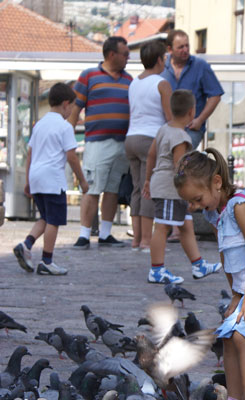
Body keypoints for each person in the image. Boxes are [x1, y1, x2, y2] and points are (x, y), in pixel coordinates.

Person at [175, 148, 245, 400]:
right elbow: (226, 256)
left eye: (197, 199)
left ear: (217, 182)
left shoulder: (239, 206)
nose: (197, 207)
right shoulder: (217, 214)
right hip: (244, 291)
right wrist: (235, 294)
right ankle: (233, 399)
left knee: (244, 338)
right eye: (192, 203)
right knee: (228, 337)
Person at [144, 89, 221, 284]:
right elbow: (180, 168)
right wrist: (189, 196)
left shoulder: (163, 129)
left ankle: (198, 264)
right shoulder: (181, 137)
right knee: (163, 227)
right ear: (192, 111)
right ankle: (157, 269)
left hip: (160, 182)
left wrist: (147, 180)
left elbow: (151, 155)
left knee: (186, 225)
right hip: (170, 188)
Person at [13, 83, 88, 276]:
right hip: (53, 179)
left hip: (37, 177)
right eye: (72, 106)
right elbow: (72, 157)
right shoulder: (65, 127)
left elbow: (30, 154)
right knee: (54, 221)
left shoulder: (39, 124)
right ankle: (47, 260)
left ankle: (26, 244)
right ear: (65, 104)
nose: (72, 110)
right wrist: (82, 181)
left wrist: (29, 180)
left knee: (44, 217)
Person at [161, 28, 224, 242]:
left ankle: (181, 226)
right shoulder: (163, 70)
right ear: (169, 49)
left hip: (190, 131)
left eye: (187, 45)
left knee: (182, 173)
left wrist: (200, 119)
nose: (186, 50)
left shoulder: (200, 66)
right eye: (181, 47)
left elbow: (215, 95)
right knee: (168, 174)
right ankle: (172, 224)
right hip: (169, 129)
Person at [69, 36, 132, 250]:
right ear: (111, 54)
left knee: (112, 189)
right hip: (97, 141)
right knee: (92, 188)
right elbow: (75, 108)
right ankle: (84, 234)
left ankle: (105, 233)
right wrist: (68, 134)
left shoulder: (129, 80)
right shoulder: (89, 76)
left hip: (122, 142)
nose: (128, 57)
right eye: (125, 53)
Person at [125, 40, 172, 252]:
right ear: (160, 59)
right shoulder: (161, 83)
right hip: (150, 139)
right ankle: (145, 240)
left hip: (131, 138)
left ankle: (136, 239)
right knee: (149, 188)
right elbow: (170, 117)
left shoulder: (134, 83)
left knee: (136, 188)